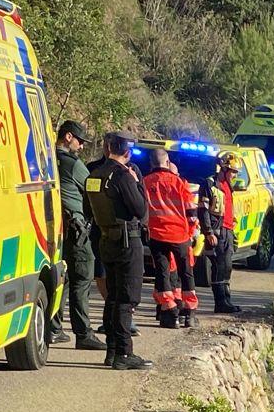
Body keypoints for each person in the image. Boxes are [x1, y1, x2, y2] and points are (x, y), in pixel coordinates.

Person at [85, 131, 149, 370]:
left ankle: (112, 351)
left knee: (112, 297)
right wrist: (136, 183)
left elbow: (87, 209)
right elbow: (141, 211)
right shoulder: (123, 176)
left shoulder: (94, 175)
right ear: (127, 152)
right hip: (127, 241)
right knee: (126, 298)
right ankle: (124, 353)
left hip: (105, 240)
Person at [51, 120, 103, 350]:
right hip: (76, 230)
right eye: (80, 141)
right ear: (69, 137)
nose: (81, 147)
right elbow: (94, 190)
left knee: (60, 279)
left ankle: (53, 328)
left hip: (52, 230)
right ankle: (84, 334)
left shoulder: (47, 159)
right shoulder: (73, 164)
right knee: (81, 279)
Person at [139, 144, 197, 330]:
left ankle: (169, 311)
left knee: (162, 273)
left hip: (156, 235)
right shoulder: (180, 183)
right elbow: (191, 213)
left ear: (150, 163)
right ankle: (189, 312)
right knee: (185, 273)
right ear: (168, 162)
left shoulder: (144, 182)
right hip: (180, 235)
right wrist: (191, 233)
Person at [201, 152, 244, 315]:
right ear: (223, 168)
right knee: (219, 267)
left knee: (227, 267)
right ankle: (220, 302)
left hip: (228, 231)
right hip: (217, 233)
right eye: (232, 171)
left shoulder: (228, 187)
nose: (234, 175)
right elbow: (203, 211)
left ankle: (227, 300)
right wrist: (209, 232)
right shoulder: (210, 184)